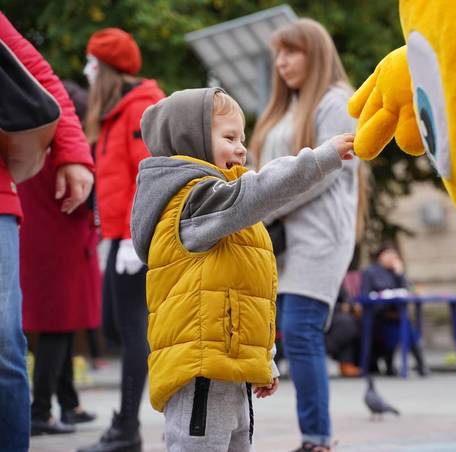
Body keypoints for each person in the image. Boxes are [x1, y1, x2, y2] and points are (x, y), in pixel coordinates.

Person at [129, 86, 354, 450]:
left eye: (242, 138)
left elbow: (250, 296)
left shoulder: (228, 214)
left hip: (230, 373)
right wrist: (319, 159)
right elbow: (258, 191)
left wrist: (265, 361)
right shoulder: (193, 202)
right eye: (229, 137)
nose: (241, 148)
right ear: (193, 139)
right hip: (200, 373)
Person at [249, 18, 363, 452]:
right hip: (279, 236)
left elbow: (326, 173)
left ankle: (317, 439)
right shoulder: (283, 108)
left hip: (320, 235)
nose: (282, 62)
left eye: (291, 52)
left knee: (300, 330)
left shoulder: (337, 101)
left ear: (314, 54)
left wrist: (260, 207)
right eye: (278, 53)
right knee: (283, 332)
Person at [0, 13, 94, 450]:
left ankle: (46, 412)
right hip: (56, 254)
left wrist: (72, 151)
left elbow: (38, 75)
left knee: (7, 342)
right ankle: (50, 409)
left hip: (12, 210)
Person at [77, 28, 164, 452]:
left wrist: (136, 238)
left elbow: (148, 175)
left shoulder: (140, 107)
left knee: (132, 332)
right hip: (115, 235)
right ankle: (126, 423)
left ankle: (127, 427)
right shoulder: (113, 113)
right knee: (113, 326)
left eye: (92, 64)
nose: (86, 71)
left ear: (108, 70)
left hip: (135, 237)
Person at [19, 80, 100, 437]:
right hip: (65, 247)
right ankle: (41, 410)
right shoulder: (67, 154)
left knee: (61, 328)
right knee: (57, 330)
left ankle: (69, 403)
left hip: (39, 247)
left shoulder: (28, 144)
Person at [361, 242, 428, 376]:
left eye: (394, 255)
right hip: (378, 316)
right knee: (403, 329)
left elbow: (406, 290)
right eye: (389, 255)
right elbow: (365, 294)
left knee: (406, 327)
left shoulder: (394, 273)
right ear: (381, 255)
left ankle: (417, 365)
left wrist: (400, 274)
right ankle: (420, 365)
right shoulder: (371, 272)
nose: (392, 258)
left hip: (397, 316)